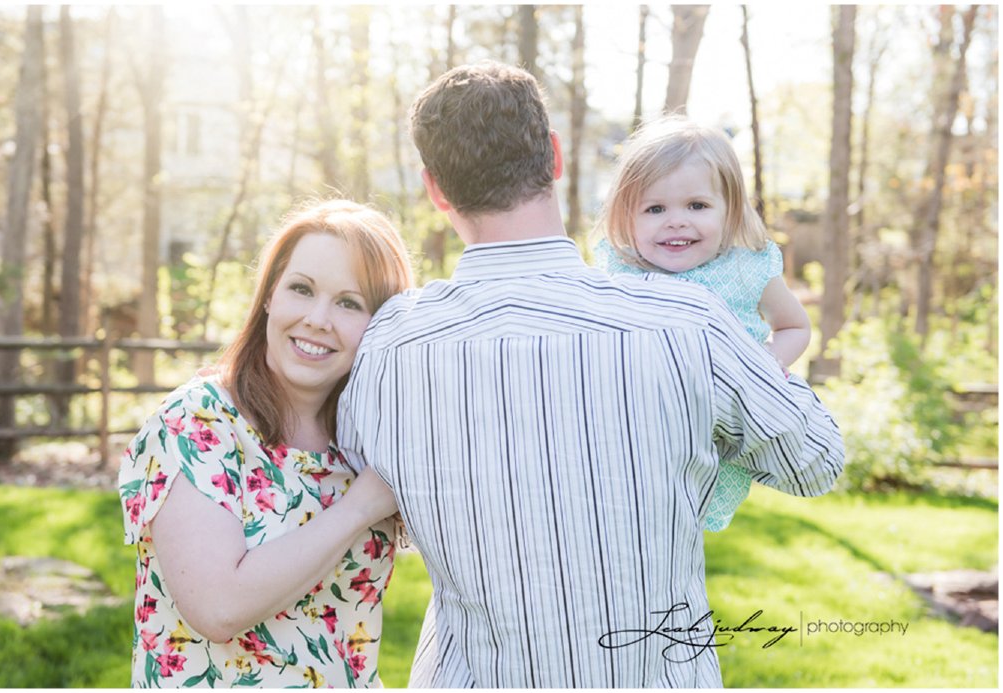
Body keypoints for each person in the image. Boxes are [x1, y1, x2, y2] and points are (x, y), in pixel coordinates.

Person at [337, 61, 844, 687]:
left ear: (435, 190)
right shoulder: (689, 323)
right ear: (554, 157)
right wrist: (755, 366)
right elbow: (816, 462)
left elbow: (376, 510)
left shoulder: (390, 342)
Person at [118, 200, 414, 688]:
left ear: (381, 324)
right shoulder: (198, 421)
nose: (318, 319)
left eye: (349, 302)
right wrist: (359, 508)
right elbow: (217, 607)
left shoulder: (367, 441)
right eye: (302, 289)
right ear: (270, 296)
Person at [591, 116, 812, 531]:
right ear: (626, 215)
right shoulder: (621, 272)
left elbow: (795, 327)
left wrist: (761, 367)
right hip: (642, 426)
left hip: (717, 429)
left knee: (681, 527)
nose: (676, 221)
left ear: (730, 210)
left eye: (697, 206)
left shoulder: (746, 269)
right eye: (655, 209)